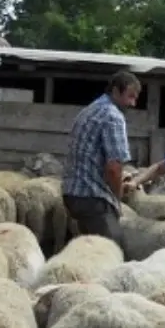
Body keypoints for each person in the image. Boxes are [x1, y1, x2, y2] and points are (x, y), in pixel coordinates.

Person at [61, 70, 142, 245]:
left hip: (73, 193)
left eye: (135, 98)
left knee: (90, 250)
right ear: (115, 91)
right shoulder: (113, 117)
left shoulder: (89, 110)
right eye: (130, 97)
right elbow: (114, 168)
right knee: (113, 250)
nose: (133, 103)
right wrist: (117, 197)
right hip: (93, 196)